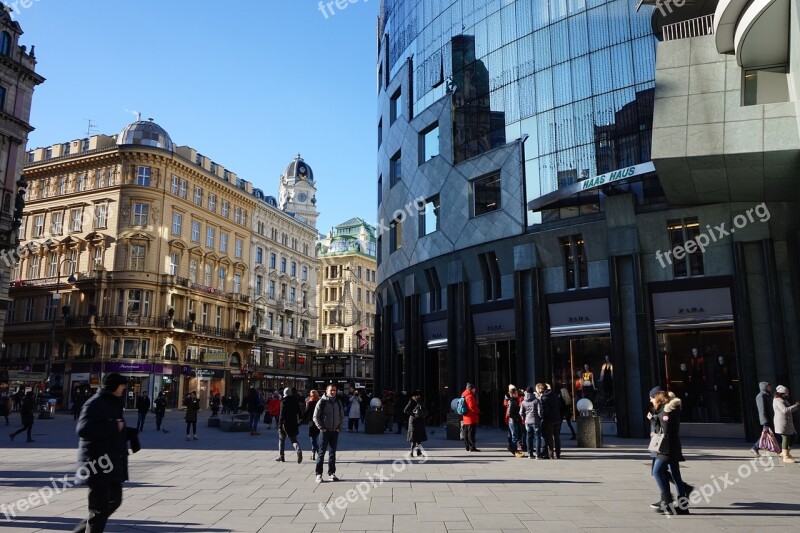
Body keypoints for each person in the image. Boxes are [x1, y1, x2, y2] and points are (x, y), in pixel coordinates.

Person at [73, 373, 140, 533]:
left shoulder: (113, 403)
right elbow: (83, 430)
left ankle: (82, 530)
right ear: (113, 386)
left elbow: (113, 426)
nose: (124, 388)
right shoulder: (94, 403)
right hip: (97, 463)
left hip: (111, 462)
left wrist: (129, 433)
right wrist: (113, 427)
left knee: (115, 501)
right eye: (122, 385)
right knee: (99, 508)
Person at [649, 389, 689, 515]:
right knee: (676, 476)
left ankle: (666, 501)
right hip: (673, 446)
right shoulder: (671, 409)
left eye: (652, 398)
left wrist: (653, 422)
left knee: (656, 471)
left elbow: (665, 431)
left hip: (667, 448)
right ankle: (683, 507)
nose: (651, 401)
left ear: (658, 399)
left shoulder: (665, 412)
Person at [313, 383, 344, 483]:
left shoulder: (338, 402)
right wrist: (321, 428)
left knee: (332, 453)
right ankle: (318, 474)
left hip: (335, 431)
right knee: (321, 453)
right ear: (326, 391)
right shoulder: (322, 402)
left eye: (334, 390)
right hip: (325, 431)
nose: (333, 392)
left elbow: (342, 416)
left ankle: (332, 473)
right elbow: (315, 417)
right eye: (331, 390)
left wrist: (339, 427)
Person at [773, 385, 800, 463]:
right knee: (786, 438)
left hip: (787, 422)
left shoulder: (782, 399)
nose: (788, 393)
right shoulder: (778, 400)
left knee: (793, 437)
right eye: (786, 392)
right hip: (782, 422)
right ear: (782, 393)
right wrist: (796, 406)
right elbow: (784, 410)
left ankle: (785, 453)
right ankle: (785, 456)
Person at [277, 387, 303, 463]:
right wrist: (300, 421)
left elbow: (281, 414)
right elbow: (299, 412)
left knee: (281, 440)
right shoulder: (295, 401)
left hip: (285, 424)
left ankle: (281, 457)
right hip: (293, 423)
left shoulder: (283, 401)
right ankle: (298, 449)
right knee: (293, 440)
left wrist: (279, 425)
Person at [520, 386, 543, 459]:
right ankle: (538, 454)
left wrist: (524, 418)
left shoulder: (523, 401)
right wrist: (540, 417)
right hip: (535, 421)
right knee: (537, 437)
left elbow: (521, 412)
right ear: (533, 392)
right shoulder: (536, 400)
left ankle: (530, 454)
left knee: (528, 437)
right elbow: (540, 411)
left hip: (527, 421)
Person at [751, 382, 774, 456]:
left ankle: (778, 450)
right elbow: (762, 410)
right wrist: (765, 422)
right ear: (764, 387)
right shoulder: (761, 396)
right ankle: (755, 448)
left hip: (771, 418)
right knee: (766, 435)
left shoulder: (768, 395)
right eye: (768, 386)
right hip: (767, 419)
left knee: (769, 434)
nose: (770, 387)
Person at [540, 383, 562, 459]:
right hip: (557, 418)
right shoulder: (555, 395)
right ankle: (558, 453)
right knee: (557, 436)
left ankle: (551, 454)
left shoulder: (544, 398)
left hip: (549, 419)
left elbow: (545, 410)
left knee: (549, 437)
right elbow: (559, 405)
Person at [404, 390, 428, 457]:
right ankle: (413, 452)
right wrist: (414, 414)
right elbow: (405, 410)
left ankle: (418, 452)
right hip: (414, 421)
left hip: (418, 421)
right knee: (414, 438)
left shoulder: (420, 402)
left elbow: (425, 411)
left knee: (418, 438)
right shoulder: (412, 401)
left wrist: (421, 414)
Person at [460, 383, 481, 452]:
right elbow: (472, 406)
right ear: (471, 389)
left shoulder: (464, 395)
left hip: (466, 416)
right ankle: (472, 447)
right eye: (474, 388)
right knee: (471, 432)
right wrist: (478, 411)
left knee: (466, 431)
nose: (475, 390)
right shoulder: (470, 396)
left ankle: (467, 446)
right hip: (471, 417)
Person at [504, 385, 523, 456]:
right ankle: (514, 450)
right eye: (516, 393)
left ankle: (513, 449)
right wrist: (517, 417)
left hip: (514, 420)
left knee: (515, 435)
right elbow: (510, 413)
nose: (518, 394)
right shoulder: (512, 401)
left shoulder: (514, 400)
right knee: (514, 436)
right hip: (513, 421)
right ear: (513, 394)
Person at [305, 390, 321, 461]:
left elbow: (306, 413)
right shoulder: (320, 402)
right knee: (315, 439)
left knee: (313, 439)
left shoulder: (309, 402)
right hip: (319, 422)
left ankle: (318, 452)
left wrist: (300, 422)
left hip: (312, 422)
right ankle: (313, 453)